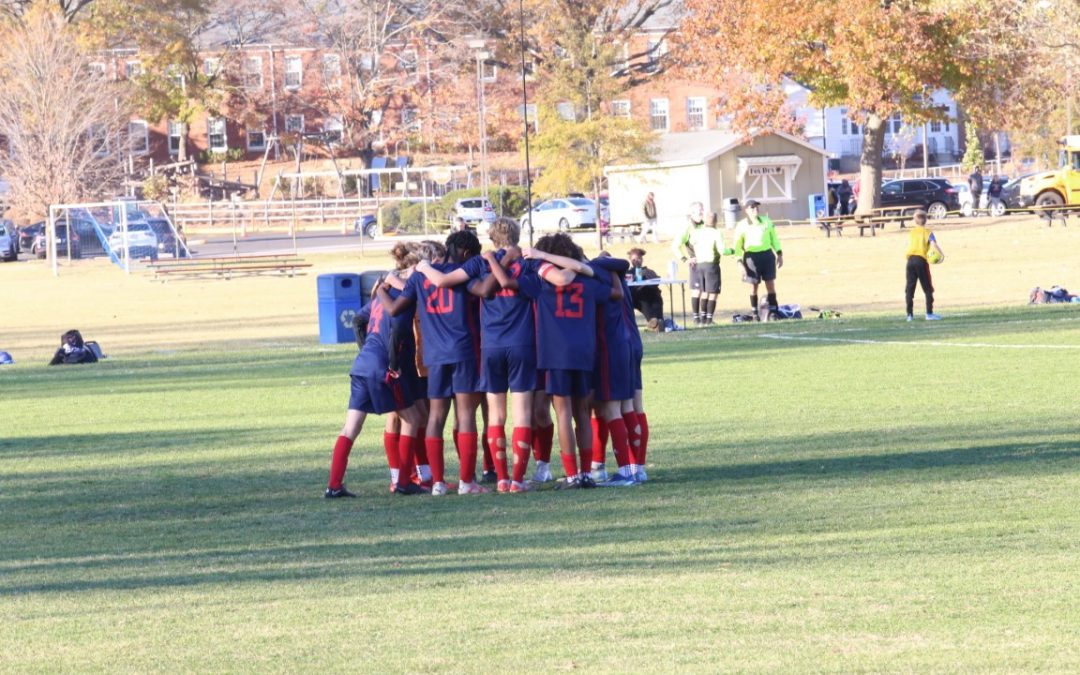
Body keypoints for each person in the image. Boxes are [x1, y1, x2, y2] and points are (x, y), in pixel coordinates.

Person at [324, 275, 427, 498]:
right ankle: (403, 482)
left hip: (362, 365)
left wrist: (366, 348)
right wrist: (393, 363)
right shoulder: (405, 296)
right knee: (413, 419)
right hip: (382, 367)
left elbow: (358, 320)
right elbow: (398, 330)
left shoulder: (382, 296)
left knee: (350, 427)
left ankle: (334, 485)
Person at [734, 200, 784, 321]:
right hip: (751, 257)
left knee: (770, 285)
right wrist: (739, 262)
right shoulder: (742, 225)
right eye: (752, 207)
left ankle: (773, 312)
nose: (755, 209)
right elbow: (737, 245)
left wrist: (779, 253)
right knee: (753, 287)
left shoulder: (766, 221)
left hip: (767, 255)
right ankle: (755, 313)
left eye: (756, 207)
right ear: (746, 210)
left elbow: (774, 239)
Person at [688, 211, 732, 324]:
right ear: (716, 221)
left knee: (703, 292)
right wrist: (732, 251)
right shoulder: (716, 233)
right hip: (711, 265)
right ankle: (708, 319)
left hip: (699, 265)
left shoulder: (697, 232)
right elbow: (722, 251)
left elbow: (691, 242)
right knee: (713, 293)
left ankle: (700, 319)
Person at [904, 209, 944, 321]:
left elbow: (907, 244)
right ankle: (929, 313)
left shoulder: (911, 232)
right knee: (927, 288)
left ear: (915, 220)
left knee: (910, 288)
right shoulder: (928, 232)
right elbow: (933, 244)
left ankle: (909, 315)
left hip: (910, 261)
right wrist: (941, 255)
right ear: (926, 220)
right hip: (921, 261)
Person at [673, 201, 706, 323]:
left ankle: (705, 318)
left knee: (706, 291)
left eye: (702, 209)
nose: (702, 212)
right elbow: (675, 246)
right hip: (696, 264)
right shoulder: (687, 227)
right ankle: (696, 319)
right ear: (692, 213)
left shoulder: (705, 225)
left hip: (707, 263)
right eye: (699, 210)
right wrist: (685, 259)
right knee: (697, 291)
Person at [627, 247, 663, 330]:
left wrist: (646, 279)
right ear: (630, 260)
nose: (637, 261)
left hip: (652, 295)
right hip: (637, 297)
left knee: (657, 299)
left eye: (639, 259)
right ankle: (653, 322)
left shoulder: (648, 271)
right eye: (634, 259)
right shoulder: (628, 272)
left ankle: (658, 321)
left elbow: (656, 281)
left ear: (642, 259)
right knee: (644, 301)